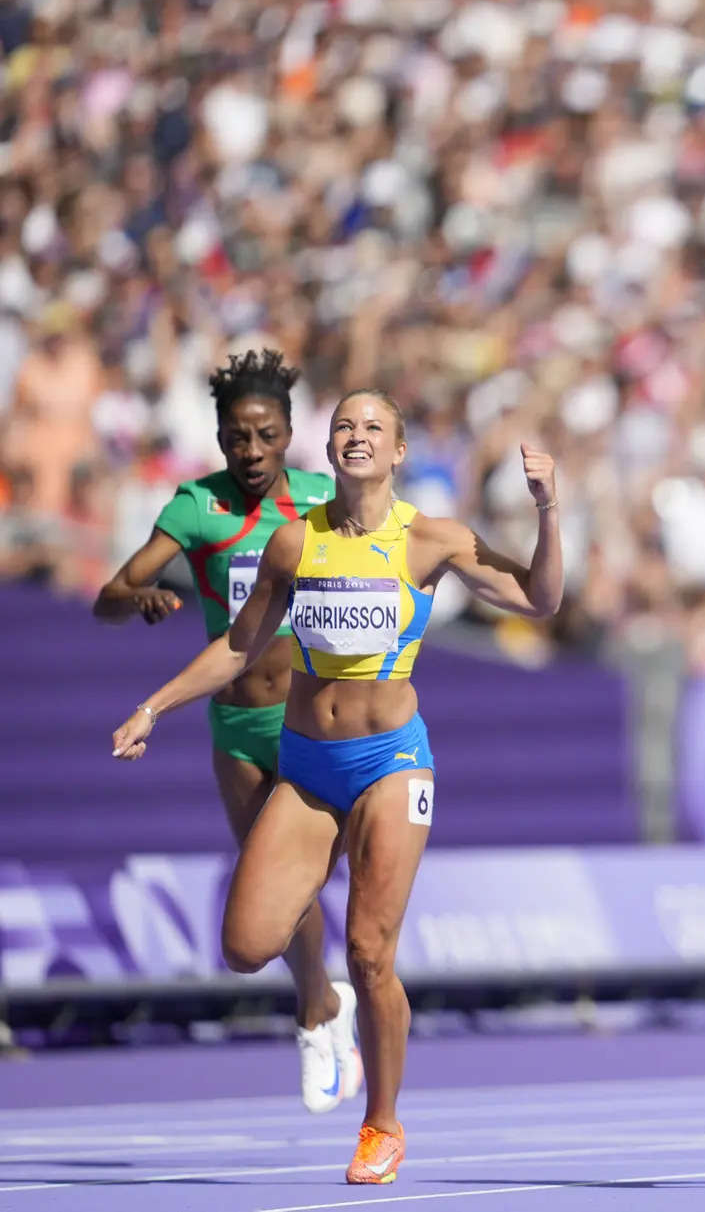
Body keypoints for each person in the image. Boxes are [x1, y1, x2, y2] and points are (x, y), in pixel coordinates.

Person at [111, 390, 563, 1185]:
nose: (356, 436)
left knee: (370, 951)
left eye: (373, 428)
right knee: (246, 945)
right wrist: (154, 705)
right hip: (309, 766)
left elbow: (541, 597)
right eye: (344, 426)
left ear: (397, 453)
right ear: (330, 449)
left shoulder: (431, 539)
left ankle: (382, 1122)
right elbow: (238, 646)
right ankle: (326, 1006)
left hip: (391, 762)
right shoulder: (295, 543)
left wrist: (549, 509)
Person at [92, 349, 358, 1113]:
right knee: (277, 887)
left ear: (287, 434)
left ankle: (327, 1003)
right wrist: (134, 598)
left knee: (311, 876)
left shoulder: (319, 500)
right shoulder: (194, 507)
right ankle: (318, 1007)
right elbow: (112, 592)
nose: (250, 452)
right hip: (237, 725)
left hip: (312, 718)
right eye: (237, 438)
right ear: (217, 434)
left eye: (266, 436)